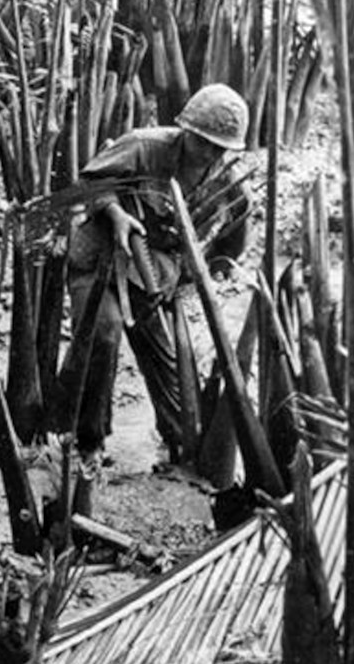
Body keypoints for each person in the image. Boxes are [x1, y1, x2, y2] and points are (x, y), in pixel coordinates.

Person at [59, 83, 251, 467]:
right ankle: (87, 442)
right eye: (202, 142)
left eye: (219, 148)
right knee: (103, 334)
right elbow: (89, 183)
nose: (208, 154)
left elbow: (232, 241)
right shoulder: (144, 146)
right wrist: (116, 214)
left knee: (170, 364)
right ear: (186, 129)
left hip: (153, 275)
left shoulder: (228, 182)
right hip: (99, 259)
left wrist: (197, 273)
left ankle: (180, 442)